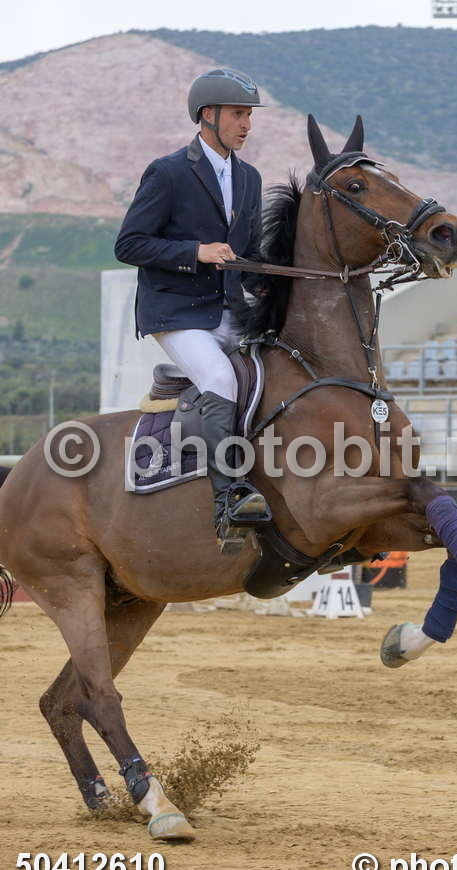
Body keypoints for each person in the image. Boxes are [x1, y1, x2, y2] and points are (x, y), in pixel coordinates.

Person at [115, 68, 269, 547]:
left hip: (228, 308)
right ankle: (228, 500)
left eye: (248, 116)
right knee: (220, 378)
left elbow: (250, 254)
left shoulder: (248, 178)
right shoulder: (168, 172)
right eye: (238, 114)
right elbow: (129, 244)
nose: (246, 125)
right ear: (208, 115)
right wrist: (195, 252)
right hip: (177, 312)